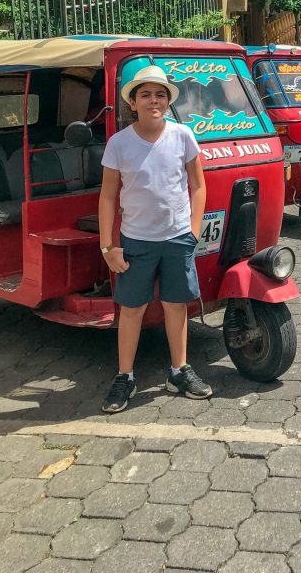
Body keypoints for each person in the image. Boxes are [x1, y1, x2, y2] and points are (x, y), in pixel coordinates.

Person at [98, 64, 212, 413]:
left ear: (167, 101)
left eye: (160, 94)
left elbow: (197, 186)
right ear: (132, 102)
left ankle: (179, 371)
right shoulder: (119, 143)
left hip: (178, 238)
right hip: (136, 242)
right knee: (131, 310)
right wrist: (108, 247)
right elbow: (106, 197)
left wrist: (193, 231)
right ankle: (125, 377)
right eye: (145, 94)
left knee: (176, 306)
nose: (153, 100)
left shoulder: (183, 136)